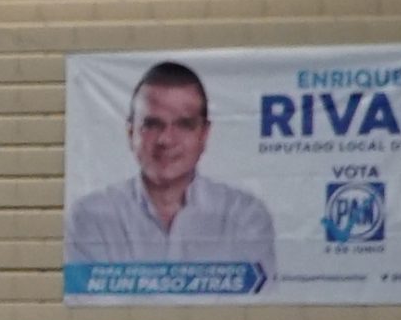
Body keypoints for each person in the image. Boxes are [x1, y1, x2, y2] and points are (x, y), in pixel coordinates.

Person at [63, 60, 276, 279]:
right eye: (152, 124)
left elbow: (254, 306)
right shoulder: (91, 216)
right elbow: (92, 306)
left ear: (204, 134)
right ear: (130, 133)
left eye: (184, 125)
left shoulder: (244, 216)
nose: (166, 139)